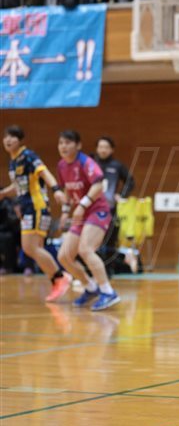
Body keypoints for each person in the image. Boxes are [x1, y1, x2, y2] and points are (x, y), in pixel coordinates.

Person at [0, 125, 72, 300]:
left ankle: (60, 277)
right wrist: (3, 194)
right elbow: (18, 187)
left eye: (12, 137)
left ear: (20, 140)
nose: (8, 140)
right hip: (27, 208)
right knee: (35, 248)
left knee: (29, 247)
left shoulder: (28, 156)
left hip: (36, 206)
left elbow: (44, 172)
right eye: (6, 137)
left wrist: (56, 189)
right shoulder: (13, 162)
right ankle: (57, 281)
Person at [55, 130, 120, 311]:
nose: (64, 146)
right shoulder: (61, 166)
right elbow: (68, 190)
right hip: (80, 214)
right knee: (64, 256)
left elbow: (98, 185)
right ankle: (90, 288)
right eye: (61, 143)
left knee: (86, 249)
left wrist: (83, 205)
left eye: (68, 142)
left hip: (97, 211)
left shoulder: (86, 162)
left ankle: (108, 292)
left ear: (78, 145)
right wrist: (65, 212)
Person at [92, 135, 137, 271]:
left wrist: (121, 195)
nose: (103, 150)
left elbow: (130, 181)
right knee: (92, 241)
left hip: (110, 209)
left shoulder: (117, 166)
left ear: (112, 149)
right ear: (96, 149)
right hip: (92, 209)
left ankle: (109, 270)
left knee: (111, 240)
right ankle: (93, 270)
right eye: (100, 147)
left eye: (106, 147)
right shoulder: (91, 164)